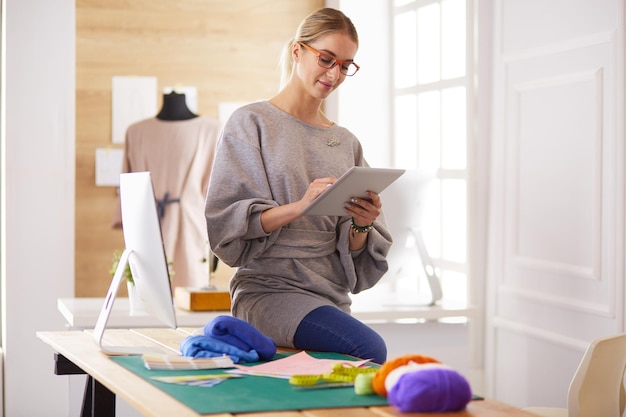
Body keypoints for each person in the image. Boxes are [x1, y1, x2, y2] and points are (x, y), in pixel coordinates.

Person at [204, 7, 391, 364]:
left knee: (344, 375)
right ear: (297, 51)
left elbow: (353, 250)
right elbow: (224, 223)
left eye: (346, 65)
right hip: (269, 291)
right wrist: (299, 206)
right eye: (326, 58)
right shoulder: (251, 123)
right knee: (370, 349)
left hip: (329, 296)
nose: (334, 73)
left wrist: (363, 223)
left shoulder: (345, 141)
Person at [113, 91, 221, 289]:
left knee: (190, 292)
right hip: (148, 224)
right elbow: (127, 189)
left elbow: (220, 192)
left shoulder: (213, 130)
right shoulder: (135, 132)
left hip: (192, 226)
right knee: (150, 295)